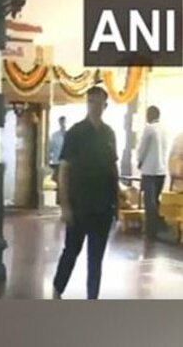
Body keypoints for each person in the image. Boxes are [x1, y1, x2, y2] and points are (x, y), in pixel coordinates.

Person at [52, 86, 118, 300]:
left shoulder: (109, 134)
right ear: (87, 104)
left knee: (96, 258)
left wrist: (116, 203)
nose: (94, 106)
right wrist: (65, 205)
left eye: (99, 103)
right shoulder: (75, 133)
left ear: (105, 106)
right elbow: (64, 170)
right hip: (79, 205)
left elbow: (112, 169)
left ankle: (92, 298)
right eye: (91, 102)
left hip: (103, 207)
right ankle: (57, 290)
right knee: (71, 251)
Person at [137, 106, 169, 240]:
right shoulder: (164, 129)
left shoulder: (149, 128)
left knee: (149, 202)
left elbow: (142, 148)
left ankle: (151, 231)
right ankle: (157, 228)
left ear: (150, 115)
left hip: (149, 170)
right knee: (155, 201)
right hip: (161, 171)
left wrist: (139, 161)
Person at [49, 116, 67, 187]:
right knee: (58, 181)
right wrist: (49, 158)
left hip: (66, 161)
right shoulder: (55, 135)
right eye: (61, 122)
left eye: (64, 122)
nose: (63, 124)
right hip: (57, 161)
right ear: (59, 123)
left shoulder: (69, 134)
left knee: (65, 181)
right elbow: (51, 148)